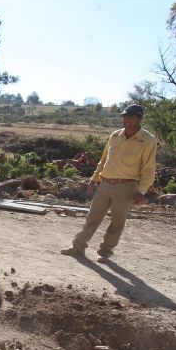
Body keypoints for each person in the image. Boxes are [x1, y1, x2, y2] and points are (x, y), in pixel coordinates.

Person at [60, 104, 157, 262]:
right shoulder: (115, 135)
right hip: (105, 183)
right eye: (124, 117)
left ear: (140, 118)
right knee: (93, 217)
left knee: (117, 221)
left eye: (131, 117)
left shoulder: (147, 140)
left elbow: (148, 168)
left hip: (127, 186)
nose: (126, 120)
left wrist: (142, 191)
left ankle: (105, 252)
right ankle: (78, 247)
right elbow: (104, 160)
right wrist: (94, 179)